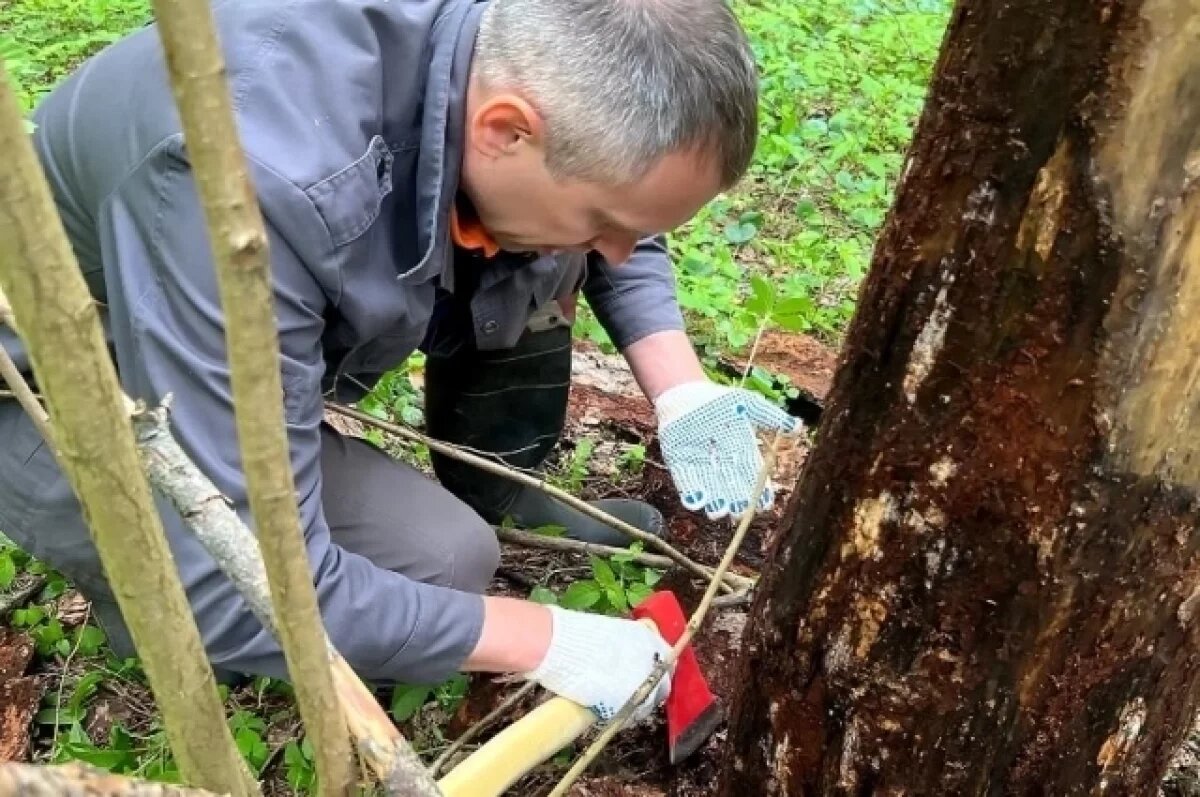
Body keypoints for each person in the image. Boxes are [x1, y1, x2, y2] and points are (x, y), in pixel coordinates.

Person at [0, 0, 801, 721]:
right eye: (608, 225)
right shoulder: (257, 190)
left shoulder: (517, 60)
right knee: (277, 583)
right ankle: (135, 595)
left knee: (449, 553)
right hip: (57, 388)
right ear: (504, 129)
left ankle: (496, 484)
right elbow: (238, 578)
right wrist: (543, 639)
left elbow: (626, 197)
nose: (622, 256)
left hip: (215, 323)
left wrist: (680, 389)